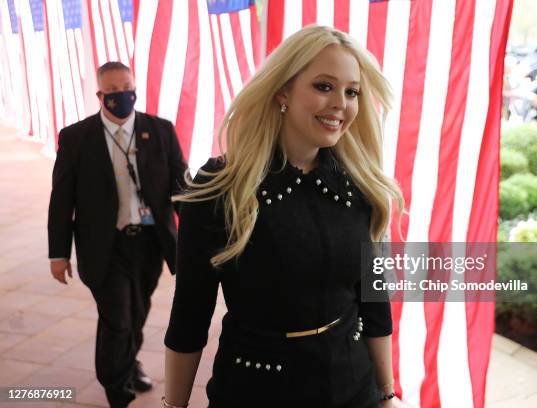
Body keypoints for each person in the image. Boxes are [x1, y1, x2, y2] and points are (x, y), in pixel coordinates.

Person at [162, 25, 405, 408]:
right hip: (254, 391)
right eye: (324, 86)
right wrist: (172, 406)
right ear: (282, 91)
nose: (341, 103)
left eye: (352, 91)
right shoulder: (222, 185)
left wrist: (388, 394)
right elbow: (190, 315)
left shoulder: (360, 184)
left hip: (354, 389)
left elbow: (374, 303)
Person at [47, 61, 187, 408]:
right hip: (104, 246)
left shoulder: (161, 130)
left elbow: (181, 190)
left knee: (137, 313)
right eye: (112, 90)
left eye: (126, 86)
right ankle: (116, 388)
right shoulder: (76, 137)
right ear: (99, 95)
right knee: (118, 319)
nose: (121, 95)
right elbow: (61, 198)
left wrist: (200, 238)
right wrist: (58, 252)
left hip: (150, 243)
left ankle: (128, 364)